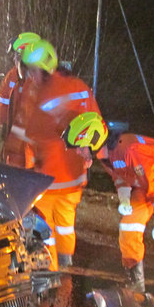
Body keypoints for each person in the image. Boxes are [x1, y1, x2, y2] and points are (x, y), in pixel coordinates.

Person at [68, 115, 154, 307]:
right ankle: (136, 287)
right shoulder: (106, 154)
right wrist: (124, 195)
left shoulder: (130, 152)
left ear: (93, 141)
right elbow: (121, 175)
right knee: (129, 226)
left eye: (80, 147)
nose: (78, 152)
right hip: (149, 180)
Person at [19, 39, 103, 270]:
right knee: (66, 225)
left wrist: (26, 173)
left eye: (33, 71)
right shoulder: (81, 88)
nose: (31, 76)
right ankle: (66, 266)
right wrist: (88, 154)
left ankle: (53, 274)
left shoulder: (40, 96)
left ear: (44, 71)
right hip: (74, 179)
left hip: (47, 179)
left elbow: (30, 138)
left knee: (47, 228)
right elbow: (97, 126)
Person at [0, 31, 40, 167]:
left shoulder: (41, 81)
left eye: (17, 56)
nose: (15, 60)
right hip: (14, 144)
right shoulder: (12, 77)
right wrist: (2, 125)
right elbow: (2, 101)